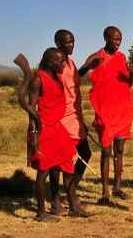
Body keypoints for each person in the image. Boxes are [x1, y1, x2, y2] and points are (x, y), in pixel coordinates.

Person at [24, 48, 83, 221]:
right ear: (50, 62)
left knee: (68, 165)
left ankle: (73, 206)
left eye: (64, 61)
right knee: (43, 172)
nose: (63, 64)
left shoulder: (57, 78)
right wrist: (34, 134)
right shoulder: (38, 79)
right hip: (43, 130)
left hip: (57, 129)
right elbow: (31, 109)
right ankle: (41, 212)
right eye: (60, 61)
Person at [82, 26, 133, 205]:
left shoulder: (121, 58)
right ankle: (104, 191)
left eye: (120, 39)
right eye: (115, 39)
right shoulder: (97, 56)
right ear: (106, 38)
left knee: (119, 151)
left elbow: (129, 83)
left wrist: (132, 73)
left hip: (122, 110)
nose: (118, 42)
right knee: (106, 152)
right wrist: (90, 65)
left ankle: (117, 187)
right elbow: (80, 73)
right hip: (105, 111)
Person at [44, 29, 93, 215]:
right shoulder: (55, 65)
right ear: (58, 43)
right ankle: (62, 201)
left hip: (75, 117)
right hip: (61, 119)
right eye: (67, 42)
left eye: (73, 41)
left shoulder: (70, 63)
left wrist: (87, 67)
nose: (71, 45)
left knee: (85, 154)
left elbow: (73, 84)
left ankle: (70, 193)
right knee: (60, 162)